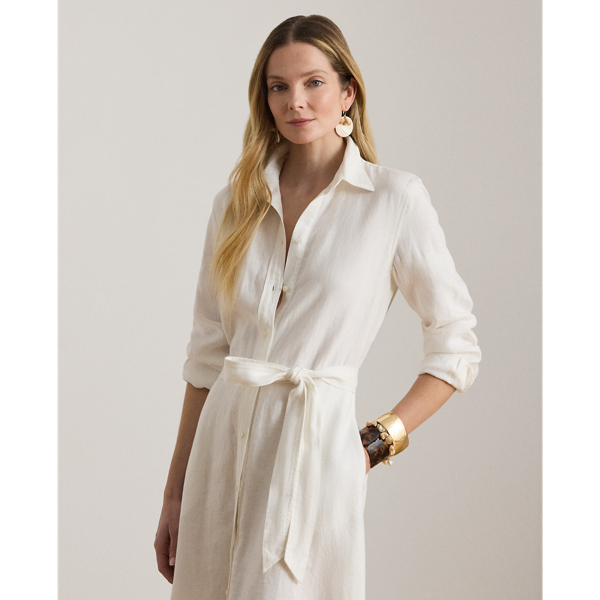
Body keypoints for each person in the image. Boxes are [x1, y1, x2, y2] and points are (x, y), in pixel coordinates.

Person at [155, 14, 481, 600]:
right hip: (218, 457)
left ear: (347, 92)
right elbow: (206, 359)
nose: (295, 102)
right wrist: (175, 489)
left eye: (313, 83)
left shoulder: (393, 200)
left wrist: (375, 443)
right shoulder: (234, 204)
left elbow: (456, 346)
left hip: (313, 456)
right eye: (278, 86)